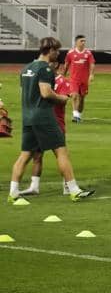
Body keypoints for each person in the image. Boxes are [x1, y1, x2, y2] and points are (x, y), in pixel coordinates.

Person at [9, 37, 94, 203]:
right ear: (50, 51)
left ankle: (13, 193)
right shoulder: (45, 69)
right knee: (61, 152)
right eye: (57, 51)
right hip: (43, 116)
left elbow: (25, 93)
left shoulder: (26, 68)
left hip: (28, 116)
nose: (58, 54)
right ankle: (74, 190)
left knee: (25, 155)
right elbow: (46, 92)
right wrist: (62, 99)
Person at [17, 52, 74, 196]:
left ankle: (67, 186)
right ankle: (34, 186)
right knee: (37, 155)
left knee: (61, 154)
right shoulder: (40, 78)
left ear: (55, 64)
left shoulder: (62, 81)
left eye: (49, 62)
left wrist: (49, 96)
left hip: (56, 121)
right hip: (39, 121)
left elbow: (65, 99)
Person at [64, 35, 94, 123]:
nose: (83, 43)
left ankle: (79, 115)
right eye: (81, 41)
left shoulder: (88, 53)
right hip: (74, 79)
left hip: (84, 80)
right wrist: (64, 74)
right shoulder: (70, 53)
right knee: (74, 96)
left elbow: (92, 64)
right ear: (76, 42)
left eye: (84, 41)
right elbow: (66, 64)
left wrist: (91, 74)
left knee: (82, 98)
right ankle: (75, 115)